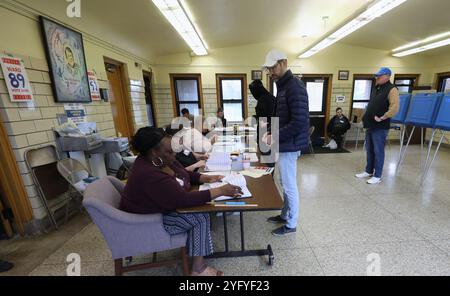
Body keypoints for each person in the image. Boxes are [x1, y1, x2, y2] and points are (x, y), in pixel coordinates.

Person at [120, 127, 243, 276]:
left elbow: (183, 173)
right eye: (169, 151)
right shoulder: (149, 173)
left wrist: (204, 178)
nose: (174, 155)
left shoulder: (160, 160)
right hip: (147, 221)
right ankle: (198, 269)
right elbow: (182, 200)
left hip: (156, 209)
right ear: (154, 152)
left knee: (200, 212)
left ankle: (197, 259)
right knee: (200, 217)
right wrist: (221, 191)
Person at [262, 49, 310, 236]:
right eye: (269, 68)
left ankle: (291, 223)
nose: (271, 71)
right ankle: (284, 214)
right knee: (283, 181)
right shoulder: (283, 86)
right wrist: (270, 130)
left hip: (289, 145)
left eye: (273, 67)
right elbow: (283, 117)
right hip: (284, 142)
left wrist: (275, 136)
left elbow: (299, 122)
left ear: (284, 63)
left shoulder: (294, 87)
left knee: (289, 184)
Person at [356, 67, 399, 185]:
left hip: (380, 126)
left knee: (378, 150)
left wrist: (383, 117)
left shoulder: (392, 89)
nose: (377, 78)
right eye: (376, 76)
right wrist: (364, 119)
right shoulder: (376, 88)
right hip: (370, 124)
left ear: (387, 76)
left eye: (379, 76)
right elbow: (371, 105)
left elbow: (394, 108)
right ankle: (368, 170)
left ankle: (377, 175)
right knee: (369, 149)